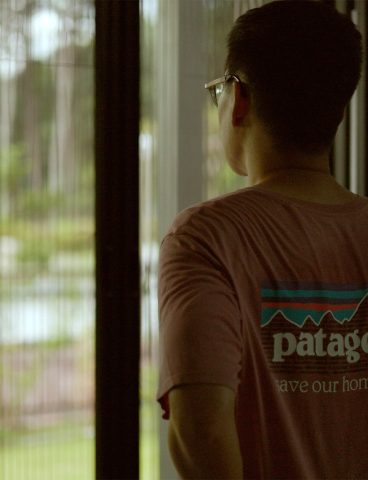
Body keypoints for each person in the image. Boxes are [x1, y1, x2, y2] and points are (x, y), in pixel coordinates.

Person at [157, 1, 368, 478]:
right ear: (337, 110)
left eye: (219, 90)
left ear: (239, 99)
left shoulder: (205, 239)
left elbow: (201, 430)